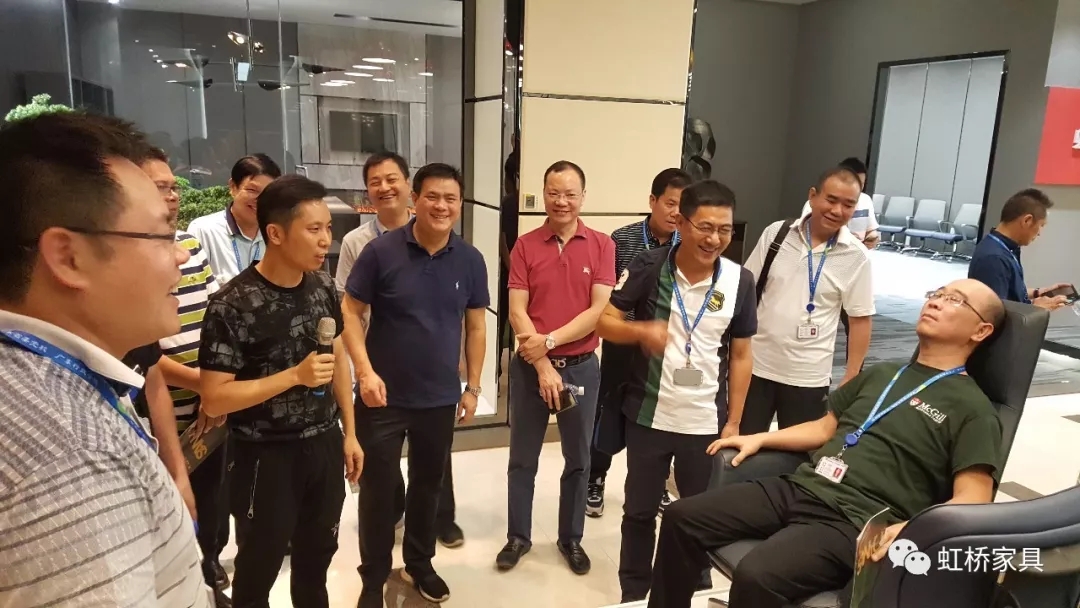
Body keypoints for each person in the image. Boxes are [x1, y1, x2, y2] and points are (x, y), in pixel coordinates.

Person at [648, 278, 1006, 608]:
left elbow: (974, 497)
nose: (936, 302)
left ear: (981, 330)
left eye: (955, 300)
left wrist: (915, 529)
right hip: (805, 486)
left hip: (855, 521)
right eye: (937, 294)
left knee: (757, 575)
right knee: (682, 518)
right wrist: (760, 437)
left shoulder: (973, 408)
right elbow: (824, 429)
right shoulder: (883, 373)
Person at [0, 112, 211, 606]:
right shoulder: (71, 456)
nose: (181, 255)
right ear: (68, 256)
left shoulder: (34, 384)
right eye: (162, 235)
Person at [198, 175, 363, 608]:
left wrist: (349, 432)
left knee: (316, 563)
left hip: (323, 445)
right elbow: (215, 397)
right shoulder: (232, 304)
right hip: (264, 456)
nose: (325, 240)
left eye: (328, 228)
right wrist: (294, 376)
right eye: (314, 229)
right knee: (258, 568)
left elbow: (338, 358)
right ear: (275, 233)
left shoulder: (322, 286)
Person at [597, 180, 757, 602]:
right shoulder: (649, 267)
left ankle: (694, 590)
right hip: (649, 416)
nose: (714, 239)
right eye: (705, 227)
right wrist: (640, 331)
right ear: (682, 223)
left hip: (704, 423)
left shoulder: (740, 281)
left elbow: (742, 355)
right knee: (638, 512)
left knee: (699, 516)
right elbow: (605, 322)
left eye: (724, 229)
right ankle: (634, 592)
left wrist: (734, 421)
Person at [343, 163, 488, 606]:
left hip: (439, 398)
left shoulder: (470, 259)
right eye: (433, 197)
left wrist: (473, 387)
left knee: (428, 486)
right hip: (381, 398)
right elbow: (350, 311)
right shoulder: (380, 252)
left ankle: (420, 564)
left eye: (451, 199)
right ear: (415, 199)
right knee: (378, 491)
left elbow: (476, 326)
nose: (441, 206)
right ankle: (373, 577)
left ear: (459, 205)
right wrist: (364, 371)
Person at [336, 153, 466, 548]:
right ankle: (389, 517)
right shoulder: (359, 243)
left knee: (434, 458)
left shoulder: (445, 240)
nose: (384, 187)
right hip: (377, 361)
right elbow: (347, 307)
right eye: (375, 181)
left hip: (430, 366)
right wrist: (361, 366)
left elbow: (462, 314)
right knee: (382, 460)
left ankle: (440, 519)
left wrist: (464, 370)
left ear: (408, 186)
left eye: (391, 178)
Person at [497, 160, 616, 575]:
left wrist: (549, 341)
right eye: (553, 193)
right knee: (522, 458)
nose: (561, 201)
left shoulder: (602, 245)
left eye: (569, 194)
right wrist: (544, 364)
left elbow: (598, 311)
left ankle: (571, 538)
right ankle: (518, 537)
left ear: (583, 196)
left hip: (581, 368)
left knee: (578, 459)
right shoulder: (525, 245)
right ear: (543, 194)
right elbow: (517, 311)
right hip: (531, 369)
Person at [138, 146, 232, 603]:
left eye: (174, 187)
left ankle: (210, 566)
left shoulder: (190, 246)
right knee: (169, 504)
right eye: (161, 187)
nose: (173, 196)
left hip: (209, 407)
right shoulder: (133, 259)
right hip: (165, 408)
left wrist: (216, 391)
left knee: (212, 497)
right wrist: (205, 385)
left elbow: (217, 313)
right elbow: (146, 354)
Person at [587, 168, 691, 519]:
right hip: (623, 341)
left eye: (683, 206)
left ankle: (655, 485)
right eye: (670, 203)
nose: (676, 213)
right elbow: (608, 297)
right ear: (652, 201)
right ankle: (595, 478)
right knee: (608, 410)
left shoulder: (687, 244)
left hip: (665, 346)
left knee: (657, 416)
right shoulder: (623, 239)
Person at [741, 167, 875, 435]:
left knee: (797, 452)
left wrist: (851, 377)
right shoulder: (777, 233)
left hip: (808, 375)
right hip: (756, 365)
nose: (837, 210)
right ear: (813, 196)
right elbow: (745, 290)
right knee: (741, 443)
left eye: (848, 205)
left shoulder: (856, 256)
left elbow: (860, 320)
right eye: (831, 200)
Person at [968, 188, 1070, 311]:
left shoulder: (1004, 248)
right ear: (1027, 220)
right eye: (1041, 225)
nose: (1039, 233)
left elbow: (1009, 293)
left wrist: (1039, 292)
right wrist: (1036, 308)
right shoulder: (994, 258)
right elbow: (994, 313)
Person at [188, 154, 282, 285]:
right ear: (233, 187)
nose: (260, 200)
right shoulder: (204, 230)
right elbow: (193, 287)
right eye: (252, 190)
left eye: (268, 193)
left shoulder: (276, 236)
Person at [800, 157, 880, 248]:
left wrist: (872, 237)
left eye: (861, 184)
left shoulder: (866, 200)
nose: (837, 211)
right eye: (831, 201)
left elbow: (871, 230)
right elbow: (805, 231)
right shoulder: (815, 204)